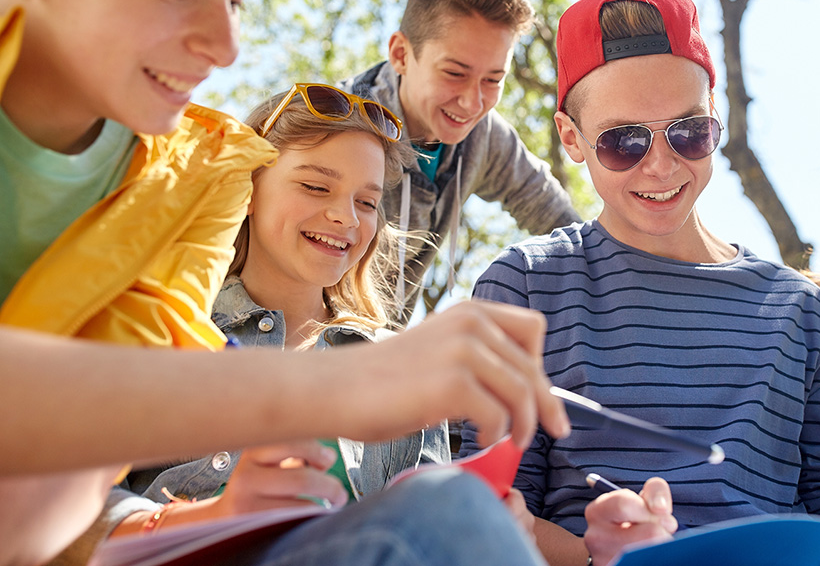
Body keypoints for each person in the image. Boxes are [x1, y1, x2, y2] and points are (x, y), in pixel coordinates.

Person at [0, 0, 567, 564]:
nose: (227, 46)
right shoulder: (245, 174)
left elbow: (49, 495)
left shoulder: (194, 178)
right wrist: (342, 388)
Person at [459, 0, 820, 566]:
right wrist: (595, 559)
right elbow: (489, 507)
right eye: (623, 141)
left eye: (688, 132)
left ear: (715, 119)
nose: (660, 165)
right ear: (572, 139)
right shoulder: (525, 285)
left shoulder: (801, 312)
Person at [52, 85, 539, 564]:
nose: (343, 216)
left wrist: (482, 525)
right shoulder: (166, 326)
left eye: (367, 202)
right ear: (248, 188)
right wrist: (211, 514)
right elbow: (58, 513)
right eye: (315, 186)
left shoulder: (400, 366)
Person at [341, 0, 579, 323]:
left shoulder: (484, 137)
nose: (473, 101)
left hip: (384, 356)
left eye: (493, 80)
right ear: (401, 54)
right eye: (454, 73)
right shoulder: (335, 129)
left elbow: (559, 221)